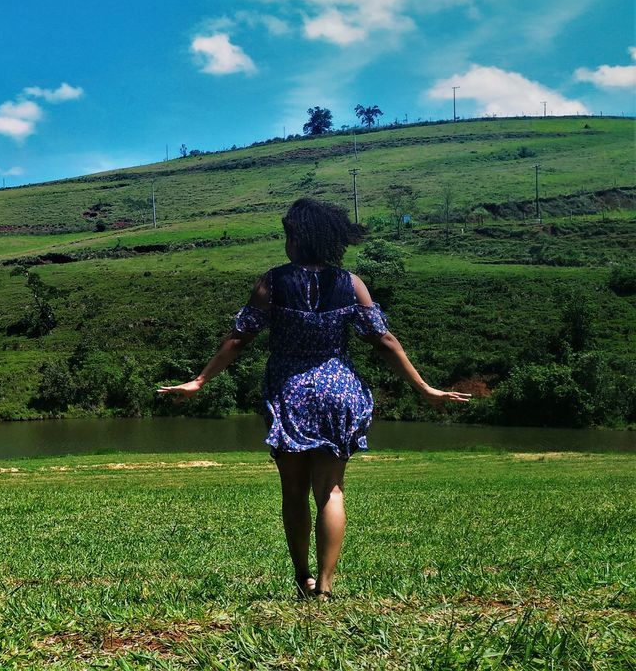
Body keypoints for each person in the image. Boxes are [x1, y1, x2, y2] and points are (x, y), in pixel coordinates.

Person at [157, 198, 471, 599]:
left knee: (294, 491)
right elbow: (384, 341)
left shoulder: (273, 282)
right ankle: (324, 586)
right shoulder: (351, 283)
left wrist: (199, 380)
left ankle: (302, 576)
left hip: (290, 391)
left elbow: (239, 338)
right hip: (338, 391)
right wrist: (424, 387)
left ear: (297, 237)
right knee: (331, 491)